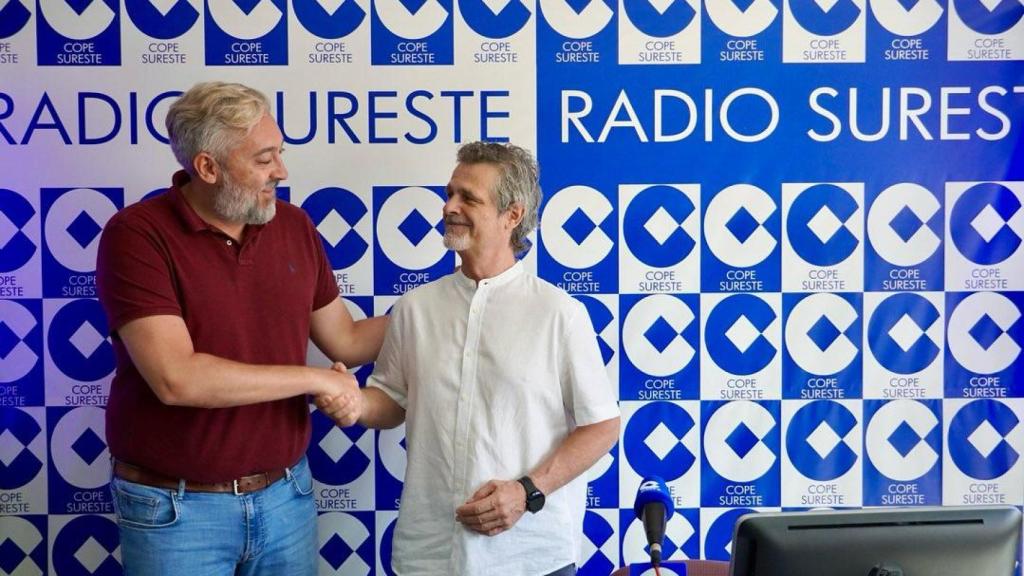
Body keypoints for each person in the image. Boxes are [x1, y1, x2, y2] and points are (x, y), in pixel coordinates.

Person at [96, 81, 384, 575]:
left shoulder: (294, 227)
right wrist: (317, 380)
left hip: (286, 496)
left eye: (280, 153)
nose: (282, 171)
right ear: (207, 167)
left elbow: (347, 341)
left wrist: (448, 302)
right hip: (176, 512)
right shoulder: (137, 236)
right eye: (264, 159)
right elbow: (177, 379)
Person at [318, 141, 621, 575]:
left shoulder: (559, 314)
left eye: (468, 198)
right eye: (449, 194)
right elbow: (391, 401)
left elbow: (602, 425)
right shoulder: (414, 309)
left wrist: (527, 492)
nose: (449, 207)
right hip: (428, 553)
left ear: (512, 216)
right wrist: (354, 404)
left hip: (529, 557)